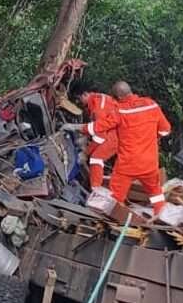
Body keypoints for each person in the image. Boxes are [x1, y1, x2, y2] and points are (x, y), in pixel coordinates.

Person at [64, 81, 171, 213]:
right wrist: (150, 137)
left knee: (115, 199)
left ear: (119, 98)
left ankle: (114, 219)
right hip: (150, 163)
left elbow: (98, 128)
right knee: (156, 193)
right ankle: (161, 217)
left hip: (127, 165)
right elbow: (165, 130)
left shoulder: (120, 112)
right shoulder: (151, 105)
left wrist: (76, 129)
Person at [76, 88, 119, 189]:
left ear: (85, 94)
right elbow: (95, 127)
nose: (78, 102)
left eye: (79, 99)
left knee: (96, 158)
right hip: (116, 133)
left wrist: (85, 153)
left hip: (117, 136)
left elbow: (100, 136)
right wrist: (86, 137)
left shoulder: (99, 108)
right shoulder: (97, 100)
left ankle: (96, 191)